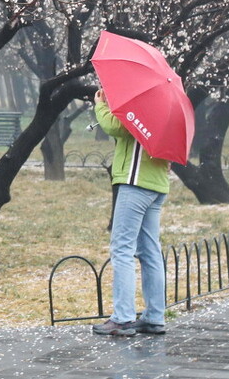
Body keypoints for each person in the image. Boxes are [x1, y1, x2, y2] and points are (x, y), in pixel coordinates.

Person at [92, 87, 169, 337]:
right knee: (150, 251)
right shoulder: (167, 107)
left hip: (135, 183)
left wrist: (101, 105)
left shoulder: (142, 102)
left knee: (122, 248)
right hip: (157, 183)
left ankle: (123, 318)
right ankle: (155, 317)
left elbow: (116, 127)